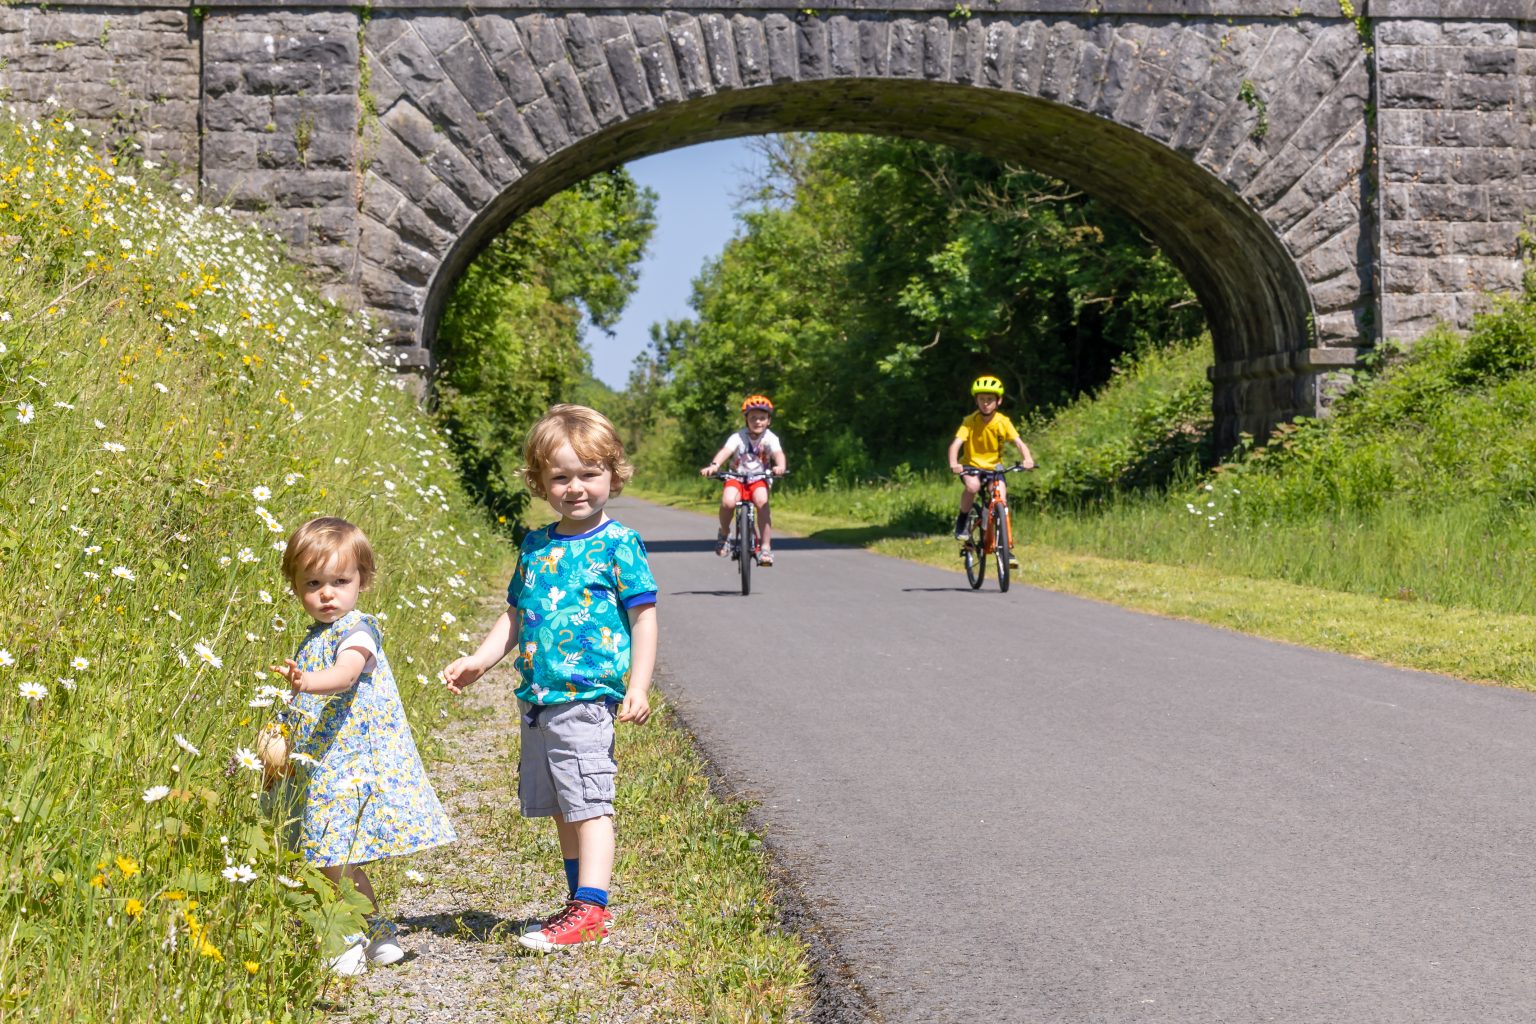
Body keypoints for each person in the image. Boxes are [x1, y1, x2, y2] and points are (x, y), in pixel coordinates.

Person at [442, 404, 659, 952]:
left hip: (586, 696)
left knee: (589, 801)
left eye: (589, 474)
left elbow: (644, 618)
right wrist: (480, 659)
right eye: (561, 477)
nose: (576, 488)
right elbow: (514, 613)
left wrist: (638, 685)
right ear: (540, 482)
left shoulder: (619, 543)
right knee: (563, 803)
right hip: (538, 698)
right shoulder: (536, 546)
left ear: (613, 474)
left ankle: (591, 909)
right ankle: (577, 902)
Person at [271, 517, 457, 976]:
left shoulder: (359, 630)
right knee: (336, 852)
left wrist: (307, 682)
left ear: (362, 581)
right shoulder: (312, 638)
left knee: (331, 849)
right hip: (324, 760)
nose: (327, 594)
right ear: (295, 587)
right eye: (313, 583)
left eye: (340, 581)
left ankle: (346, 939)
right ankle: (377, 930)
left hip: (354, 760)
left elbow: (346, 675)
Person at [948, 375, 1035, 567]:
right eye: (982, 399)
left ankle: (1007, 549)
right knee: (972, 487)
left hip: (994, 468)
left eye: (990, 400)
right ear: (976, 401)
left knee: (1000, 500)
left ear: (998, 401)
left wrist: (1027, 459)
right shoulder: (969, 421)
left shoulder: (1003, 421)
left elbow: (1019, 443)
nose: (986, 404)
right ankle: (962, 522)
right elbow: (956, 444)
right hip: (971, 465)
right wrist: (954, 463)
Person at [699, 394, 787, 566]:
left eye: (762, 418)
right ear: (746, 419)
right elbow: (726, 451)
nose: (758, 422)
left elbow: (778, 453)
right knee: (728, 502)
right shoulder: (737, 437)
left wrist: (780, 466)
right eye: (753, 418)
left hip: (759, 478)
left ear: (769, 420)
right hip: (737, 477)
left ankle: (766, 548)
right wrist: (714, 465)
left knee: (762, 502)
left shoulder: (771, 438)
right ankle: (724, 534)